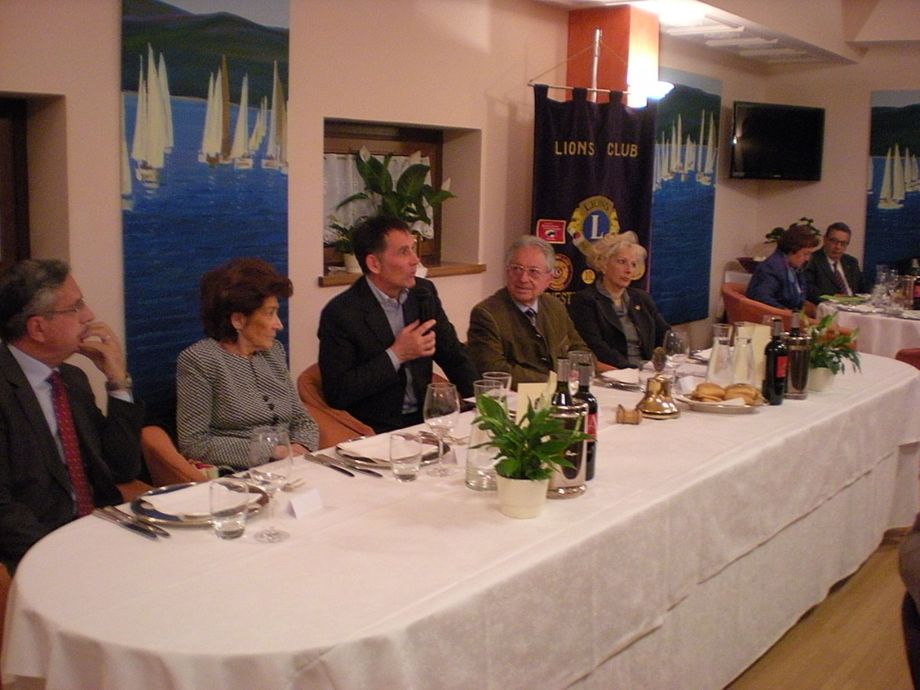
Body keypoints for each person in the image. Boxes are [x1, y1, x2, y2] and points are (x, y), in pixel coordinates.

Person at [0, 259, 143, 572]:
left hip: (100, 530)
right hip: (39, 550)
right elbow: (4, 509)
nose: (88, 316)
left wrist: (118, 382)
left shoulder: (71, 379)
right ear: (38, 328)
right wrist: (62, 557)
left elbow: (122, 468)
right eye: (76, 307)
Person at [318, 216, 477, 433]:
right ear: (374, 263)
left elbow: (453, 355)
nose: (415, 260)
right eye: (404, 252)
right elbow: (338, 392)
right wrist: (396, 354)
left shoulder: (423, 293)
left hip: (425, 419)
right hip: (372, 430)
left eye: (413, 249)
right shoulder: (341, 313)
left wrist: (483, 403)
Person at [176, 258, 318, 469]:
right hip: (239, 473)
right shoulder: (199, 360)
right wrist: (274, 451)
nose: (279, 324)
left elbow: (302, 419)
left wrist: (300, 448)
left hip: (291, 465)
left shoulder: (274, 351)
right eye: (270, 313)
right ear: (238, 320)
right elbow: (194, 443)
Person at [467, 235, 590, 384]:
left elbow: (579, 349)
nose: (523, 278)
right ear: (507, 272)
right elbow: (492, 369)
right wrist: (554, 381)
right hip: (517, 395)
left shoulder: (555, 306)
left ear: (549, 278)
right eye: (517, 269)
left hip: (563, 391)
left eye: (533, 271)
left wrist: (579, 370)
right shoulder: (486, 314)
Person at [568, 232, 670, 369]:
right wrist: (633, 369)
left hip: (647, 371)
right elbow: (596, 348)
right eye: (622, 262)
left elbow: (665, 335)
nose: (629, 270)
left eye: (633, 264)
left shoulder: (641, 298)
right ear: (604, 264)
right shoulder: (585, 301)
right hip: (614, 373)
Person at [746, 222, 820, 310]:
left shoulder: (794, 268)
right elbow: (762, 298)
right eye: (805, 253)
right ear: (792, 250)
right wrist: (788, 313)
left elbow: (800, 298)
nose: (807, 259)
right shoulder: (772, 267)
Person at [803, 221, 868, 303]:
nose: (838, 247)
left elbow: (864, 289)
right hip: (829, 306)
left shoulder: (851, 262)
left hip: (855, 306)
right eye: (834, 241)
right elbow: (809, 290)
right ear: (825, 239)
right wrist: (833, 297)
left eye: (843, 243)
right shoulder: (812, 260)